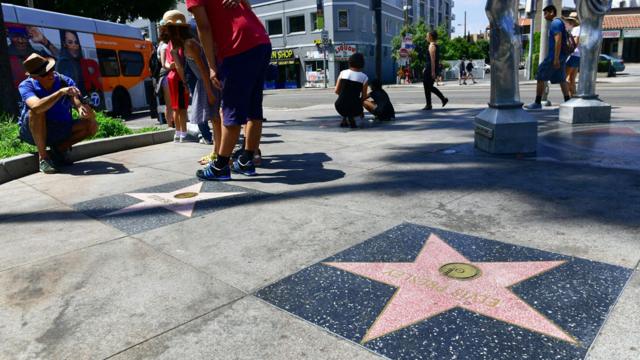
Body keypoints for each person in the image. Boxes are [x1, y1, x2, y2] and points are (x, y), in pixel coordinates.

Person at [189, 0, 272, 180]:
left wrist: (212, 66)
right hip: (260, 40)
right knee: (253, 108)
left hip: (238, 45)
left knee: (231, 109)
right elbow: (248, 8)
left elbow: (203, 27)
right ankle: (246, 160)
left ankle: (220, 166)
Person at [17, 53, 98, 174]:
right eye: (44, 73)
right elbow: (36, 106)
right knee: (36, 111)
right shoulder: (26, 86)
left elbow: (74, 97)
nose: (50, 75)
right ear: (35, 77)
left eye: (51, 70)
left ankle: (58, 151)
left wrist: (80, 107)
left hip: (61, 128)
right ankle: (43, 158)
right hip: (33, 132)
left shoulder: (64, 81)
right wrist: (60, 93)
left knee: (92, 125)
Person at [524, 4, 571, 110]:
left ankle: (537, 103)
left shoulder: (555, 23)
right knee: (561, 78)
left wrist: (555, 58)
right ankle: (567, 101)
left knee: (540, 75)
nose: (544, 15)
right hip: (561, 55)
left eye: (545, 13)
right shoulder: (559, 23)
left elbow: (558, 41)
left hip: (554, 56)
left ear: (552, 12)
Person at [161, 11, 190, 142]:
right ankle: (183, 133)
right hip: (178, 77)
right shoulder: (178, 43)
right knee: (182, 108)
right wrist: (185, 82)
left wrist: (171, 65)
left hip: (171, 77)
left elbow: (166, 64)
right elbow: (177, 64)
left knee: (175, 107)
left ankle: (177, 133)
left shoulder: (169, 44)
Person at [335, 52, 368, 129]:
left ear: (350, 62)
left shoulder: (342, 73)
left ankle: (344, 119)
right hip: (355, 108)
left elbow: (336, 91)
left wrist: (345, 96)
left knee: (345, 100)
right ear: (362, 63)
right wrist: (361, 110)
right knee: (353, 102)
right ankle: (351, 117)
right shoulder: (364, 77)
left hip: (339, 106)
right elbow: (364, 96)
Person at [423, 31, 449, 110]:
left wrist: (433, 72)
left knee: (429, 87)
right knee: (427, 86)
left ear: (431, 36)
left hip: (430, 68)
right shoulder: (435, 45)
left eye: (427, 35)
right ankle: (429, 104)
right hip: (429, 68)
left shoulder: (432, 46)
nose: (426, 37)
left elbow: (432, 60)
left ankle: (443, 99)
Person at [156, 26, 175, 128]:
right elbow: (164, 63)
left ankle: (171, 125)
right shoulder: (164, 46)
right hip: (167, 75)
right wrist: (172, 65)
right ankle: (171, 125)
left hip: (164, 76)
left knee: (169, 103)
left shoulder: (161, 45)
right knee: (170, 103)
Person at [564, 12, 581, 98]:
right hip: (578, 56)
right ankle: (573, 97)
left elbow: (575, 41)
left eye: (571, 20)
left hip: (573, 55)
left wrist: (568, 51)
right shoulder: (580, 28)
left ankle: (568, 98)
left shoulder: (576, 29)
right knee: (571, 80)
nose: (569, 22)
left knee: (564, 78)